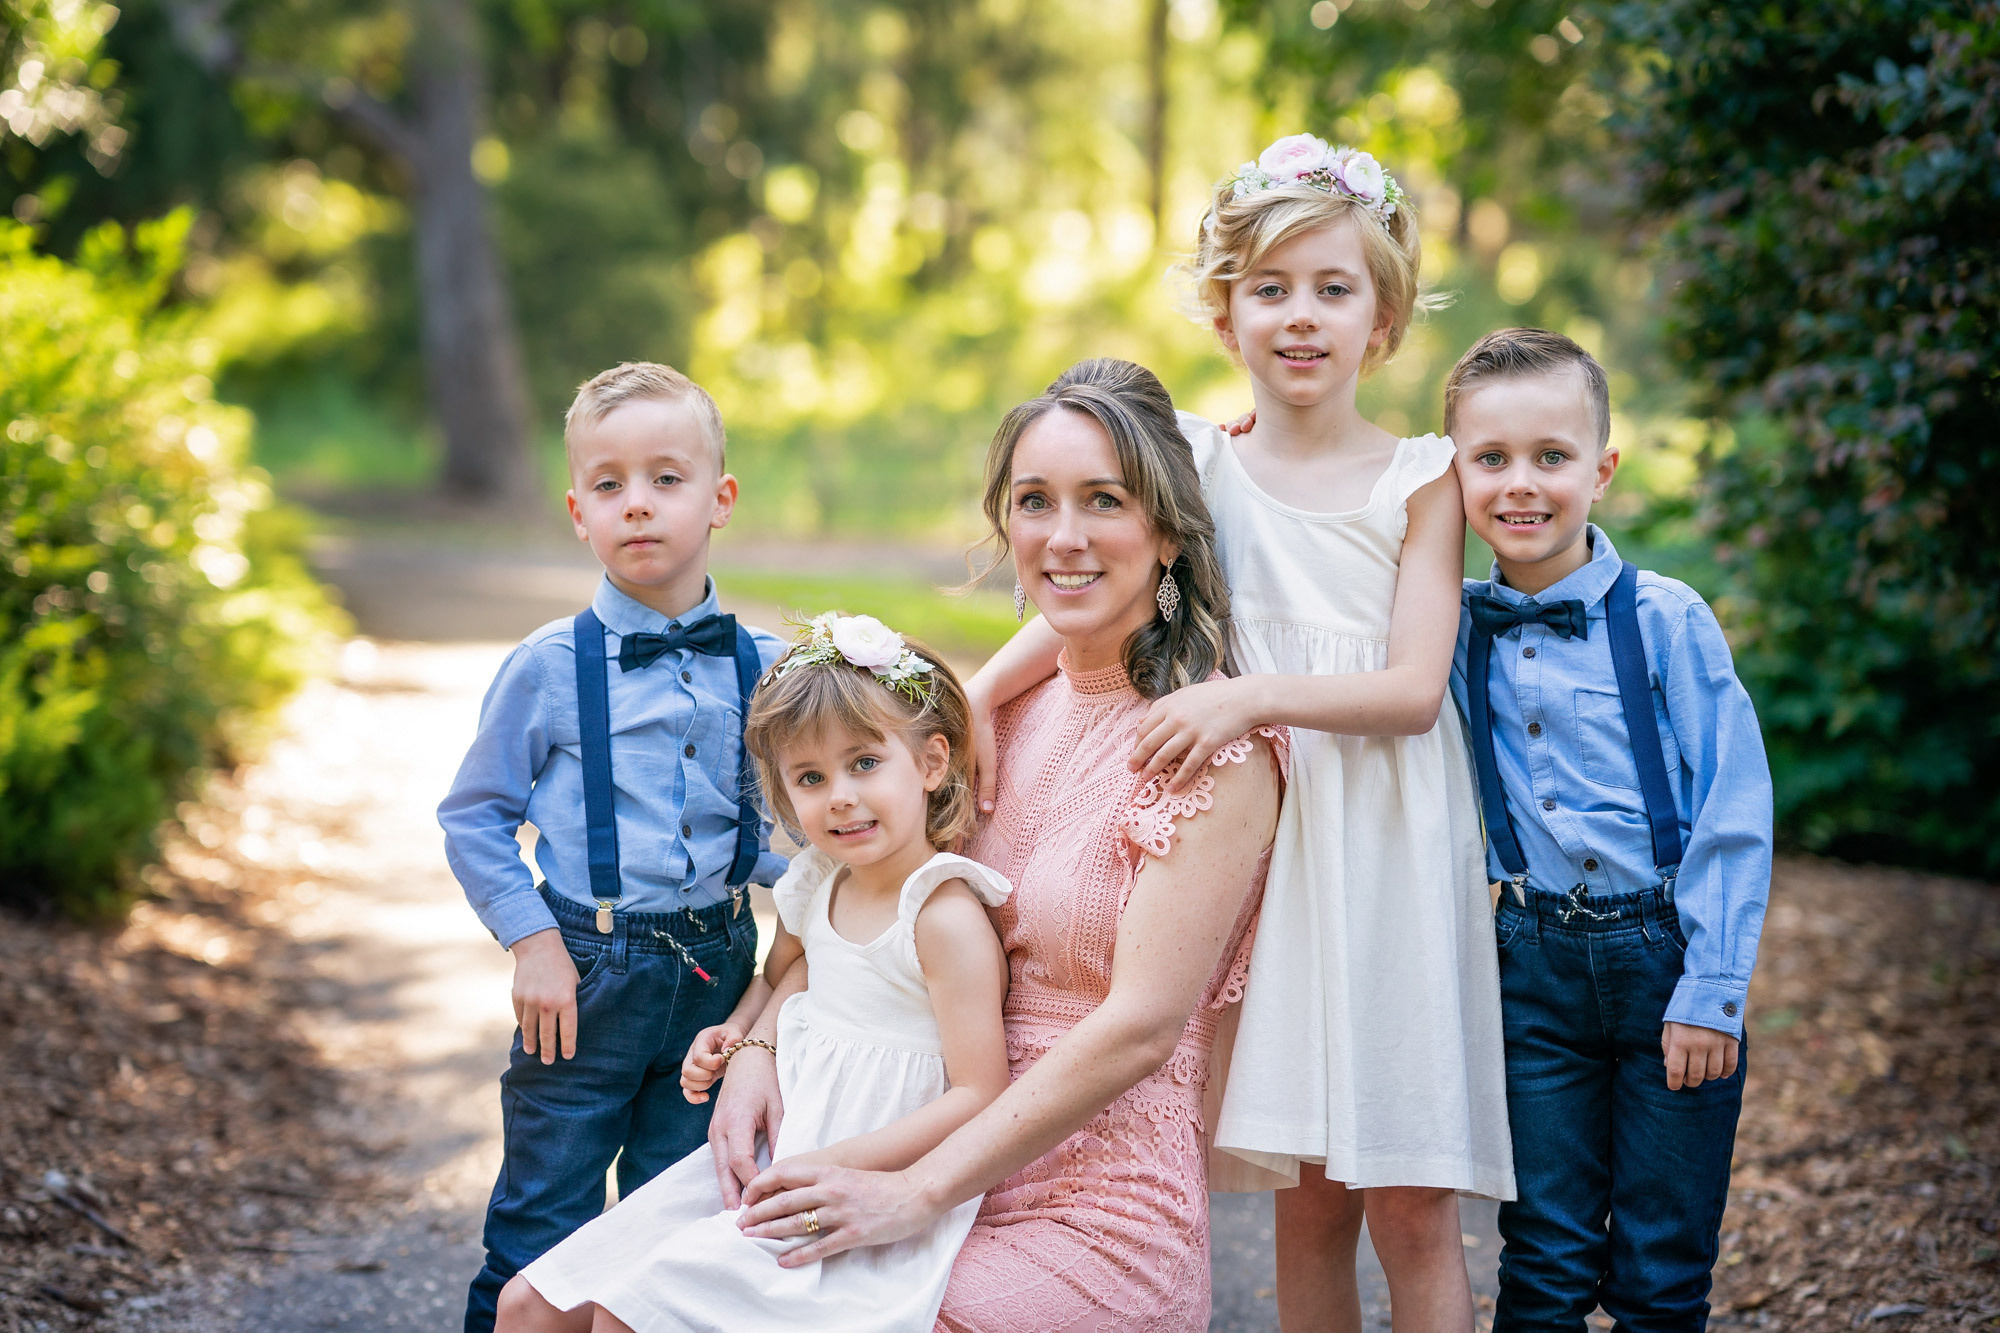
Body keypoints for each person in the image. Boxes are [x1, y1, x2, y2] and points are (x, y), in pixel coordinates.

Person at [966, 136, 1511, 1330]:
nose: (1299, 317)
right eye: (1268, 289)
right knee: (1303, 1197)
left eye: (1332, 288)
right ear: (1225, 315)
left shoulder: (1420, 481)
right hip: (1242, 855)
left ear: (1384, 318)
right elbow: (1090, 600)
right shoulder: (1201, 464)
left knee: (1407, 1199)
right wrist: (975, 694)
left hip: (1376, 851)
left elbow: (1415, 689)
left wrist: (1246, 695)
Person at [709, 357, 1286, 1331]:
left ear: (1164, 529)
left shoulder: (1212, 750)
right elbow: (854, 903)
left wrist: (917, 1191)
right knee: (591, 1303)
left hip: (1092, 1210)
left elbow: (1141, 1025)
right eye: (1033, 501)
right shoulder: (986, 723)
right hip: (903, 1142)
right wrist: (758, 1044)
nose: (1062, 536)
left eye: (1102, 500)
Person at [493, 614, 1014, 1333]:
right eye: (811, 776)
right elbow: (779, 980)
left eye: (865, 762)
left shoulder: (941, 913)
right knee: (527, 1304)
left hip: (864, 1170)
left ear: (931, 762)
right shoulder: (817, 881)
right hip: (776, 1149)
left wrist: (836, 1163)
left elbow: (981, 1091)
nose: (839, 795)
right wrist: (735, 1037)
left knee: (626, 1314)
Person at [437, 362, 790, 1333]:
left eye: (665, 479)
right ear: (577, 512)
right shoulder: (548, 666)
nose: (637, 505)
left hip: (717, 967)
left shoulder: (762, 665)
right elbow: (472, 815)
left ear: (718, 499)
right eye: (608, 485)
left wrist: (835, 897)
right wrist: (530, 941)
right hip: (583, 972)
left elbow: (758, 831)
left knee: (681, 1218)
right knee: (541, 1219)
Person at [1446, 327, 1773, 1330]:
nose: (1519, 485)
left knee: (1658, 1270)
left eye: (1550, 456)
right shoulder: (1443, 627)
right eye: (1488, 458)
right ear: (1447, 473)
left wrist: (1711, 986)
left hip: (1664, 956)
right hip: (1529, 962)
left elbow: (1732, 803)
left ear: (1601, 468)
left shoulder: (1666, 618)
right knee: (1540, 1257)